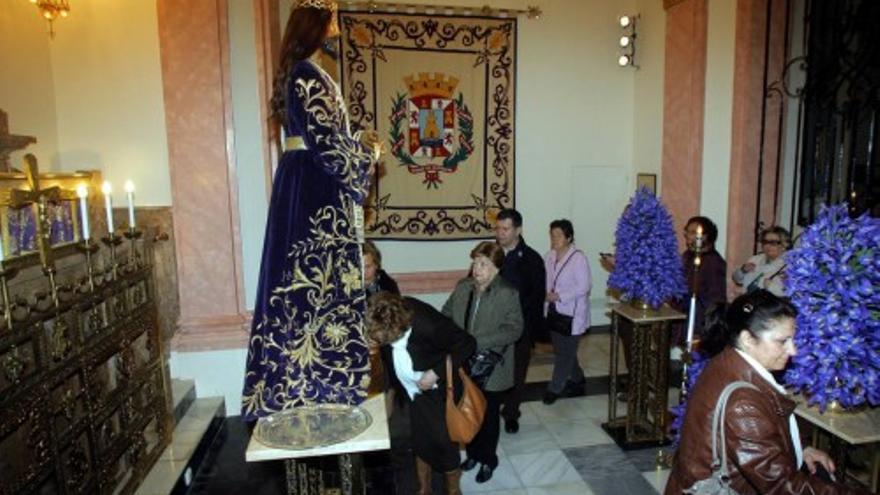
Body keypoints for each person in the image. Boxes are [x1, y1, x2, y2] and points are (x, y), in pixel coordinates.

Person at [242, 0, 381, 420]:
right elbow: (327, 144)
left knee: (309, 284)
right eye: (332, 19)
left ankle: (316, 377)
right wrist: (368, 151)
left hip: (306, 181)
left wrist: (354, 140)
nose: (337, 28)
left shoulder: (306, 72)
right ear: (317, 25)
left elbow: (321, 132)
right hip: (315, 188)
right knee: (313, 283)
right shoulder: (308, 73)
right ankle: (316, 380)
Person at [666, 290, 865, 494]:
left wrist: (802, 449)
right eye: (782, 341)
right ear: (748, 339)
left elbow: (761, 433)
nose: (793, 351)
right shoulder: (743, 404)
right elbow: (782, 486)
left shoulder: (728, 361)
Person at [366, 292, 476, 495]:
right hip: (415, 392)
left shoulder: (428, 325)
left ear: (395, 328)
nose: (376, 340)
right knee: (419, 439)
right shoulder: (385, 318)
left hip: (440, 393)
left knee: (445, 444)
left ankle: (453, 490)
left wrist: (435, 373)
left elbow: (467, 343)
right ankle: (423, 489)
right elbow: (390, 355)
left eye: (379, 336)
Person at [442, 241, 523, 484]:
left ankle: (488, 459)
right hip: (463, 363)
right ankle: (473, 454)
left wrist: (476, 342)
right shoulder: (463, 287)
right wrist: (451, 339)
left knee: (487, 417)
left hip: (492, 366)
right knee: (468, 411)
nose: (477, 268)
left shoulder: (508, 293)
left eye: (483, 264)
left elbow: (514, 330)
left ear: (496, 268)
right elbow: (446, 313)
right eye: (475, 262)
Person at [493, 208, 546, 434]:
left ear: (518, 230)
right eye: (498, 228)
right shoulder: (489, 253)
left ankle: (512, 413)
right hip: (491, 328)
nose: (500, 233)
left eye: (505, 229)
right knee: (492, 372)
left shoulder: (532, 259)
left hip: (519, 328)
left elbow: (536, 296)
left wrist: (527, 329)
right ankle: (489, 411)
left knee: (517, 373)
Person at [542, 219, 591, 405]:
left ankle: (555, 388)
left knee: (564, 354)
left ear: (569, 237)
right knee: (563, 350)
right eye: (552, 235)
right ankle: (577, 378)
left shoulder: (578, 258)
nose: (554, 239)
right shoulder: (549, 256)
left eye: (558, 235)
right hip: (554, 312)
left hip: (572, 314)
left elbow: (584, 286)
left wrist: (559, 296)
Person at [679, 216, 727, 342]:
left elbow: (715, 298)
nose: (687, 235)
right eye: (687, 231)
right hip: (683, 315)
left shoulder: (712, 262)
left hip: (698, 319)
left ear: (705, 237)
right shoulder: (687, 256)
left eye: (693, 232)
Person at [732, 226, 789, 297]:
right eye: (765, 242)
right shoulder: (755, 259)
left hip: (771, 305)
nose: (768, 246)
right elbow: (736, 279)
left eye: (773, 243)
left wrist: (771, 287)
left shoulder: (789, 265)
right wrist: (743, 270)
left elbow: (790, 293)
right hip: (748, 301)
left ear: (784, 245)